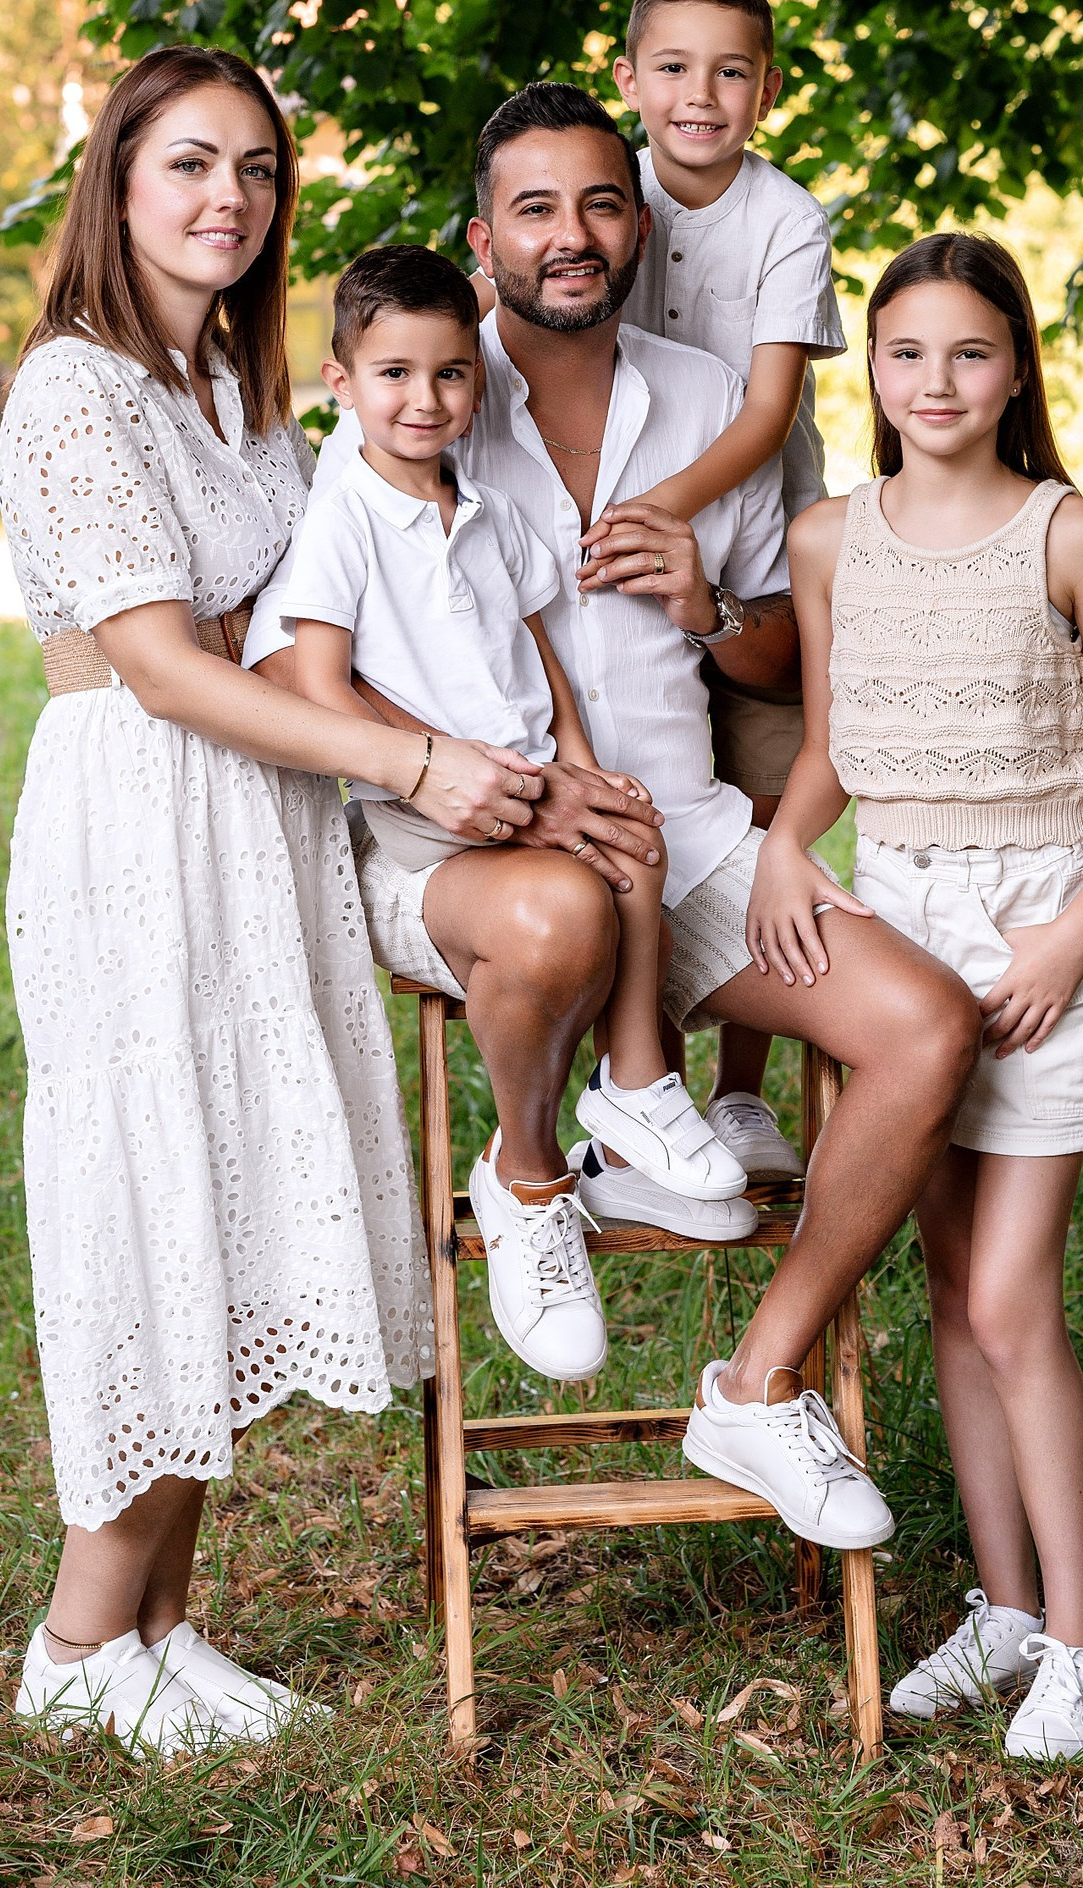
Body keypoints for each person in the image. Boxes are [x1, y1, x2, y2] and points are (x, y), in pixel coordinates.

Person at [253, 82, 982, 1555]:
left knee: (926, 1027)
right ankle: (529, 1171)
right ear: (483, 238)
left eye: (599, 202)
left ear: (637, 226)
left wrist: (706, 607)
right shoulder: (417, 383)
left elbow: (784, 657)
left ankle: (758, 1383)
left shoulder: (710, 402)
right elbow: (294, 663)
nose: (570, 234)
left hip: (681, 831)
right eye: (533, 208)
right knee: (558, 905)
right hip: (467, 845)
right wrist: (459, 768)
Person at [0, 48, 537, 1758]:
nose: (227, 196)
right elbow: (161, 666)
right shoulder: (76, 388)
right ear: (117, 182)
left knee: (229, 1200)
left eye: (254, 168)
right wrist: (411, 762)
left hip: (259, 822)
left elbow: (310, 620)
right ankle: (77, 1639)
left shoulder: (238, 397)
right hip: (141, 820)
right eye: (188, 163)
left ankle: (158, 1629)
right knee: (156, 1196)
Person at [746, 231, 1083, 1758]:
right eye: (904, 352)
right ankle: (1002, 1611)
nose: (933, 381)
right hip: (900, 928)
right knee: (947, 1293)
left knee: (1010, 1298)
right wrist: (782, 846)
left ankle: (1082, 1642)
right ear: (868, 368)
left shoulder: (1066, 533)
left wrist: (1068, 938)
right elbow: (831, 747)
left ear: (1014, 372)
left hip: (1033, 931)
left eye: (968, 352)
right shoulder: (826, 540)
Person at [270, 243, 747, 1381]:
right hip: (427, 812)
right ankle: (526, 1175)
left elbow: (541, 647)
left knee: (631, 836)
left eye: (448, 374)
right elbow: (320, 687)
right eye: (392, 374)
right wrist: (462, 776)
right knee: (576, 890)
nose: (423, 399)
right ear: (340, 383)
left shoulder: (486, 510)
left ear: (474, 384)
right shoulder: (342, 519)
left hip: (529, 779)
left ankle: (635, 1086)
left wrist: (578, 767)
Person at [614, 0, 847, 1185]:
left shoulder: (784, 218)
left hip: (754, 537)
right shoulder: (606, 191)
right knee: (640, 789)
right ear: (627, 78)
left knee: (760, 798)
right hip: (629, 539)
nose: (698, 95)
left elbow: (762, 414)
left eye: (729, 71)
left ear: (767, 87)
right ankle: (637, 1080)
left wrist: (658, 511)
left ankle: (742, 1092)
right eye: (672, 67)